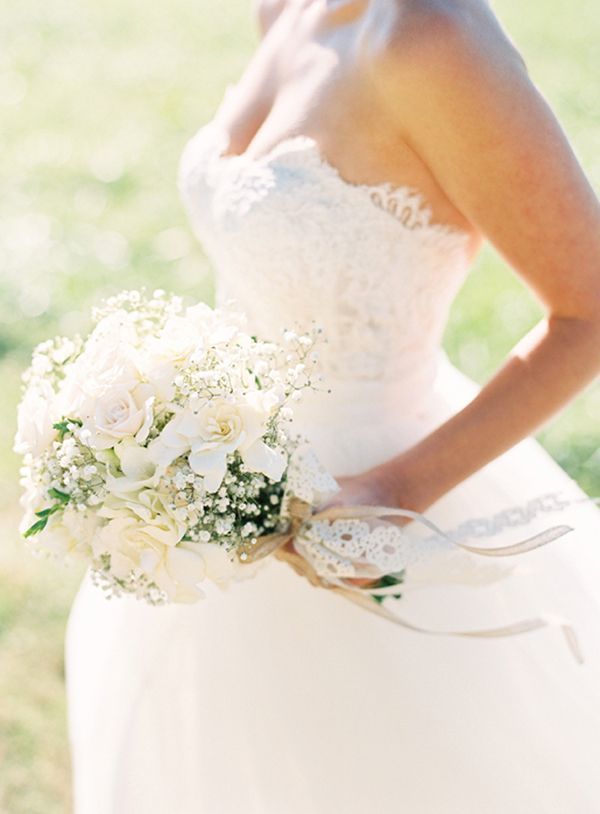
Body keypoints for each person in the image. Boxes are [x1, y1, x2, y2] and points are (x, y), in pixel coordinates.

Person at [65, 1, 600, 811]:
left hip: (375, 518)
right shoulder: (284, 6)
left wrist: (397, 493)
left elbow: (588, 312)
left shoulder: (431, 33)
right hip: (211, 506)